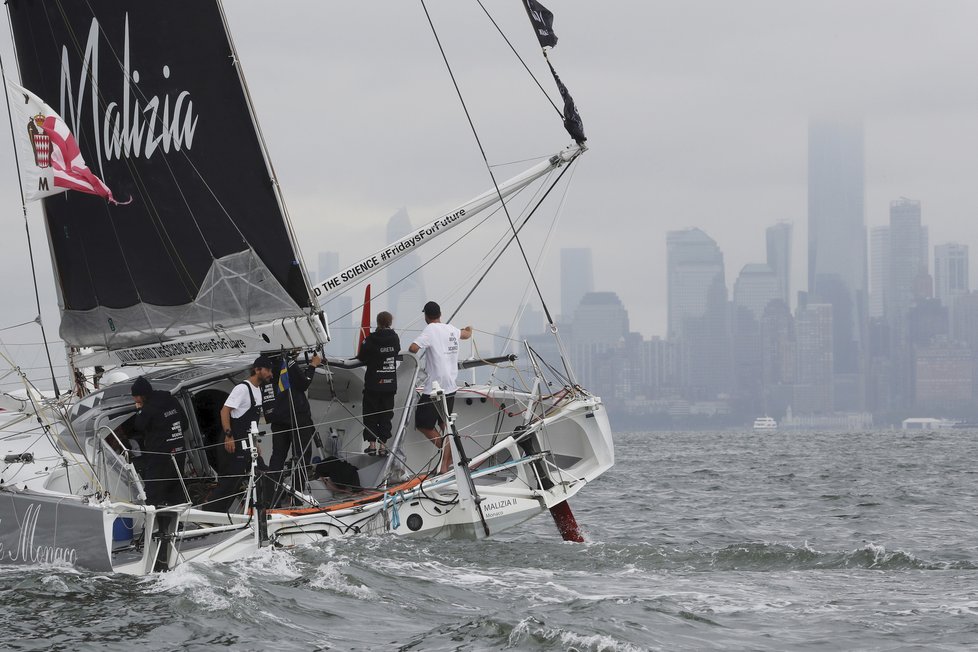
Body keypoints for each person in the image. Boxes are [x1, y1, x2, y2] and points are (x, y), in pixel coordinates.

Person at [408, 301, 472, 473]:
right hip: (451, 386)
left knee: (423, 424)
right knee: (445, 425)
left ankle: (447, 458)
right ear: (440, 314)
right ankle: (446, 465)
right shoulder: (451, 329)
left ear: (426, 316)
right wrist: (469, 329)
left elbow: (413, 348)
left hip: (434, 387)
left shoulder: (429, 331)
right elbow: (465, 335)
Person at [205, 356, 274, 513]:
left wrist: (255, 443)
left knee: (266, 474)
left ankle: (262, 512)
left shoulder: (259, 390)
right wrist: (229, 436)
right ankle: (210, 514)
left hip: (249, 443)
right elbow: (225, 411)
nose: (271, 374)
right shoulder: (242, 389)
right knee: (230, 482)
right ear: (257, 370)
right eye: (268, 370)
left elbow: (252, 422)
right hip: (234, 442)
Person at [131, 377, 189, 506]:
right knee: (175, 489)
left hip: (160, 456)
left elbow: (138, 426)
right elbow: (185, 424)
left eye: (135, 397)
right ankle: (177, 523)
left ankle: (155, 522)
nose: (135, 400)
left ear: (142, 395)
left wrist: (139, 409)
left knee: (152, 493)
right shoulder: (172, 400)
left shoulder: (148, 408)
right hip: (179, 452)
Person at [268, 351, 322, 477]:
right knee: (302, 456)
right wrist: (313, 365)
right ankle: (298, 492)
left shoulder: (268, 363)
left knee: (277, 456)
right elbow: (304, 383)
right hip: (297, 416)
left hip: (277, 418)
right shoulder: (286, 362)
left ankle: (271, 491)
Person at [356, 311, 400, 455]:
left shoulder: (371, 339)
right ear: (390, 322)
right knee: (386, 415)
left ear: (378, 322)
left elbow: (362, 356)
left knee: (370, 414)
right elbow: (397, 350)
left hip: (373, 384)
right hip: (389, 384)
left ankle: (372, 446)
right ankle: (383, 447)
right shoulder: (394, 338)